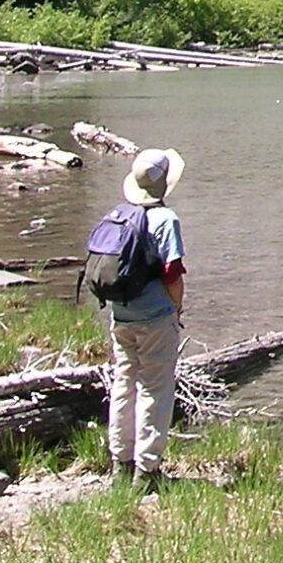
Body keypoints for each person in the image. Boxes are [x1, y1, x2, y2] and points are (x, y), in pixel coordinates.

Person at [103, 146, 189, 486]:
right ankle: (147, 471)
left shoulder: (120, 214)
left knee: (124, 384)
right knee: (155, 387)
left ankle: (119, 465)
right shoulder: (166, 220)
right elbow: (173, 275)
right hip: (155, 318)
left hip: (121, 315)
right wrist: (177, 308)